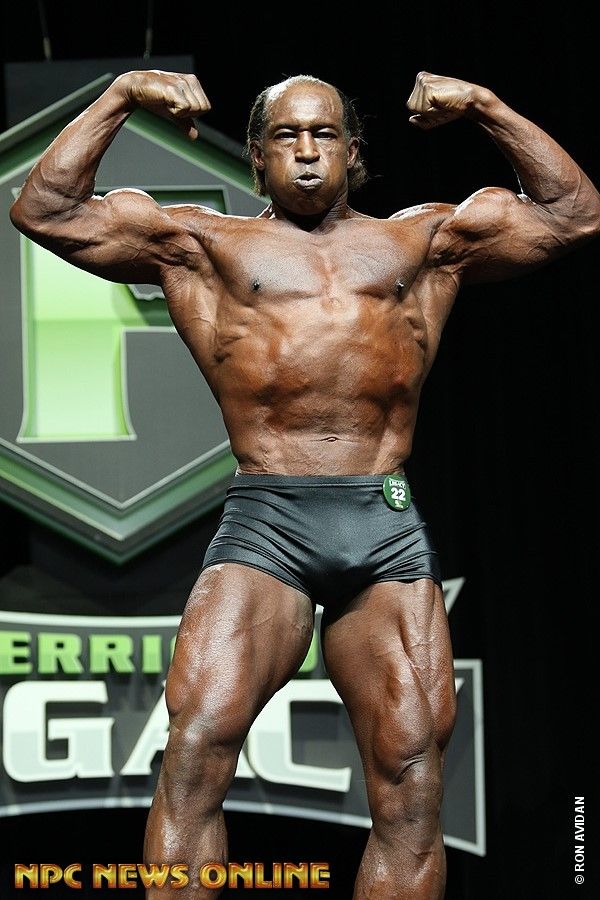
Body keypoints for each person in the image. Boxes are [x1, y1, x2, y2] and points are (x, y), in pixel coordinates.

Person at [9, 67, 600, 899]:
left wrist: (486, 106)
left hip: (381, 521)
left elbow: (573, 214)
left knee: (411, 775)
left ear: (354, 151)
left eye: (325, 134)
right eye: (287, 136)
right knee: (195, 748)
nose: (309, 151)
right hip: (269, 519)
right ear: (256, 158)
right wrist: (123, 94)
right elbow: (45, 210)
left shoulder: (422, 242)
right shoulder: (203, 245)